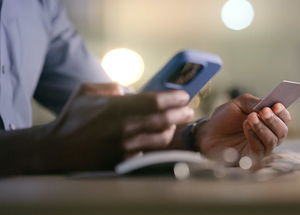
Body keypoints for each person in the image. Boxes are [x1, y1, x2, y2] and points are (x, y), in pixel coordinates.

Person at [0, 0, 291, 176]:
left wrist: (196, 136)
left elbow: (117, 117)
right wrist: (48, 146)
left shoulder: (38, 7)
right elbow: (70, 138)